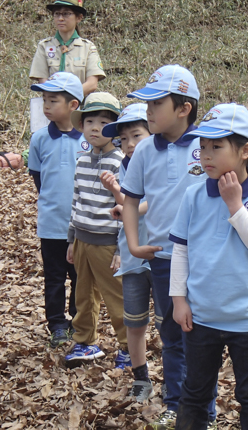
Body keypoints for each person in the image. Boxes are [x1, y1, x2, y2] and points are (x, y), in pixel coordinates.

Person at [170, 104, 248, 430]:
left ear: (245, 150)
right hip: (202, 317)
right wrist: (179, 299)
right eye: (202, 146)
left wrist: (235, 204)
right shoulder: (193, 196)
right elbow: (181, 250)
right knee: (195, 393)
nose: (206, 154)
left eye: (216, 147)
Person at [119, 65, 217, 429]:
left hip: (205, 259)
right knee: (173, 333)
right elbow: (131, 200)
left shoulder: (205, 145)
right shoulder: (144, 150)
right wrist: (133, 242)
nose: (148, 110)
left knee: (205, 334)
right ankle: (176, 403)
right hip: (162, 258)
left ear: (183, 108)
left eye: (156, 103)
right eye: (146, 103)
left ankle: (206, 409)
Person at [63, 92, 129, 368]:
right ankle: (85, 342)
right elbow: (76, 200)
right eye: (89, 121)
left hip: (107, 242)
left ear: (115, 130)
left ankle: (128, 346)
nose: (94, 127)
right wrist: (71, 239)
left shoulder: (120, 162)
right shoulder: (81, 161)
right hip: (82, 239)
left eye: (103, 122)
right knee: (83, 293)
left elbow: (127, 208)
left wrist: (122, 248)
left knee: (116, 295)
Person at [99, 103, 153, 401]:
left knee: (170, 324)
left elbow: (150, 203)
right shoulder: (124, 166)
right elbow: (126, 209)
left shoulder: (161, 162)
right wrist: (117, 193)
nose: (130, 144)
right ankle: (141, 376)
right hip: (132, 257)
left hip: (161, 253)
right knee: (134, 321)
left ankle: (176, 379)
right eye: (124, 140)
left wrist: (123, 202)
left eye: (137, 135)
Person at [28, 72, 86, 348]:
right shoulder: (39, 139)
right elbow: (38, 178)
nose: (46, 105)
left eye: (53, 100)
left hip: (83, 223)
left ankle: (78, 322)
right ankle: (56, 324)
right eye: (44, 99)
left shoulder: (88, 139)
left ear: (73, 105)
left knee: (79, 277)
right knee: (53, 277)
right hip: (51, 224)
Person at [29, 0, 105, 97]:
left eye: (66, 14)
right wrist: (58, 101)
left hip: (79, 107)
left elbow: (92, 84)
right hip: (53, 106)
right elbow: (43, 81)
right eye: (57, 14)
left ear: (79, 18)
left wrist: (68, 98)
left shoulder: (87, 47)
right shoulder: (44, 46)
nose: (60, 18)